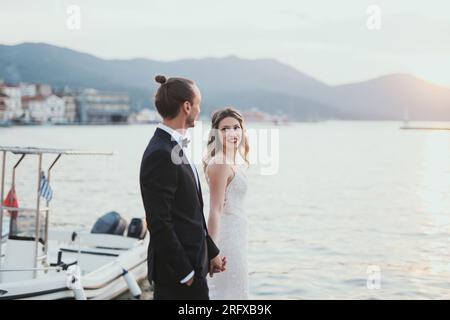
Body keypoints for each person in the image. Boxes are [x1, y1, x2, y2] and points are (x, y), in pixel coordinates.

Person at [140, 75, 226, 300]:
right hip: (179, 275)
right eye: (198, 103)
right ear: (187, 106)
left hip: (194, 265)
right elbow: (159, 221)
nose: (199, 109)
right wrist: (185, 273)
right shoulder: (160, 153)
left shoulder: (173, 146)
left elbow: (189, 213)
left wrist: (211, 253)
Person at [203, 107, 250, 299]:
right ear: (216, 133)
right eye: (225, 129)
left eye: (236, 127)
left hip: (237, 237)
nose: (232, 133)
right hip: (226, 240)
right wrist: (212, 251)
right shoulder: (220, 163)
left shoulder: (232, 162)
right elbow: (215, 209)